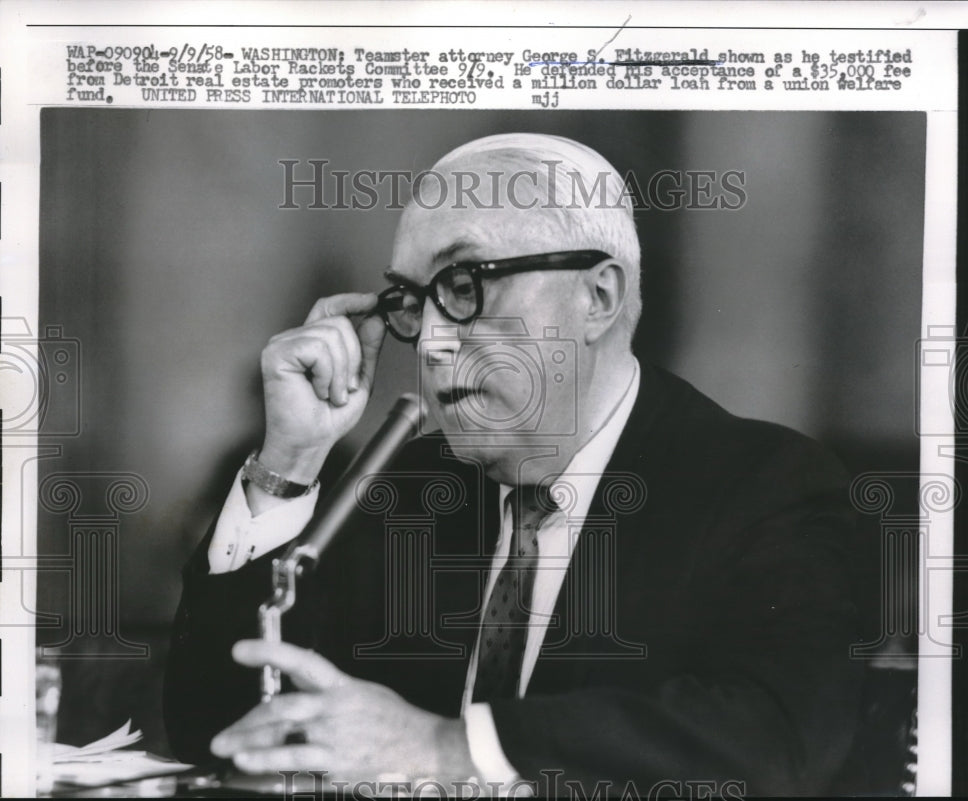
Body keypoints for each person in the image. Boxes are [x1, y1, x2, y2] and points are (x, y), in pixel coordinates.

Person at [164, 133, 864, 796]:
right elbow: (222, 728)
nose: (432, 343)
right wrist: (292, 456)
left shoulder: (763, 484)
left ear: (598, 297)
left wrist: (448, 749)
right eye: (412, 302)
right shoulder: (412, 485)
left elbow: (778, 742)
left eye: (465, 285)